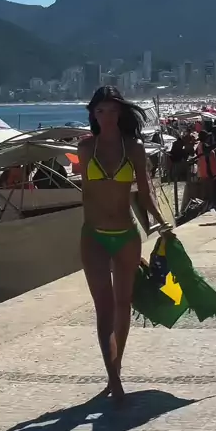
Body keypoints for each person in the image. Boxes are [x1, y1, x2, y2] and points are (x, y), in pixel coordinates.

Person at [78, 86, 172, 403]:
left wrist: (161, 224)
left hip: (126, 235)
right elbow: (87, 194)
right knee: (103, 308)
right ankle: (114, 379)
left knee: (122, 305)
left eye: (112, 111)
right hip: (93, 235)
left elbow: (144, 193)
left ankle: (116, 367)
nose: (106, 117)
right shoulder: (85, 148)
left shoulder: (133, 147)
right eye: (100, 111)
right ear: (93, 114)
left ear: (120, 113)